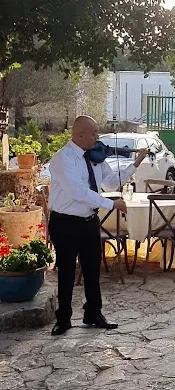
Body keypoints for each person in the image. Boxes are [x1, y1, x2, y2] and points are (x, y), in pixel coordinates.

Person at [49, 115, 149, 336]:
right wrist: (112, 204)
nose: (98, 136)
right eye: (93, 132)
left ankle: (93, 313)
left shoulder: (95, 156)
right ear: (80, 134)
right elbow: (78, 192)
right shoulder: (63, 159)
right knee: (66, 271)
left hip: (88, 221)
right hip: (65, 222)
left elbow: (111, 182)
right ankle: (63, 319)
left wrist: (136, 163)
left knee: (92, 269)